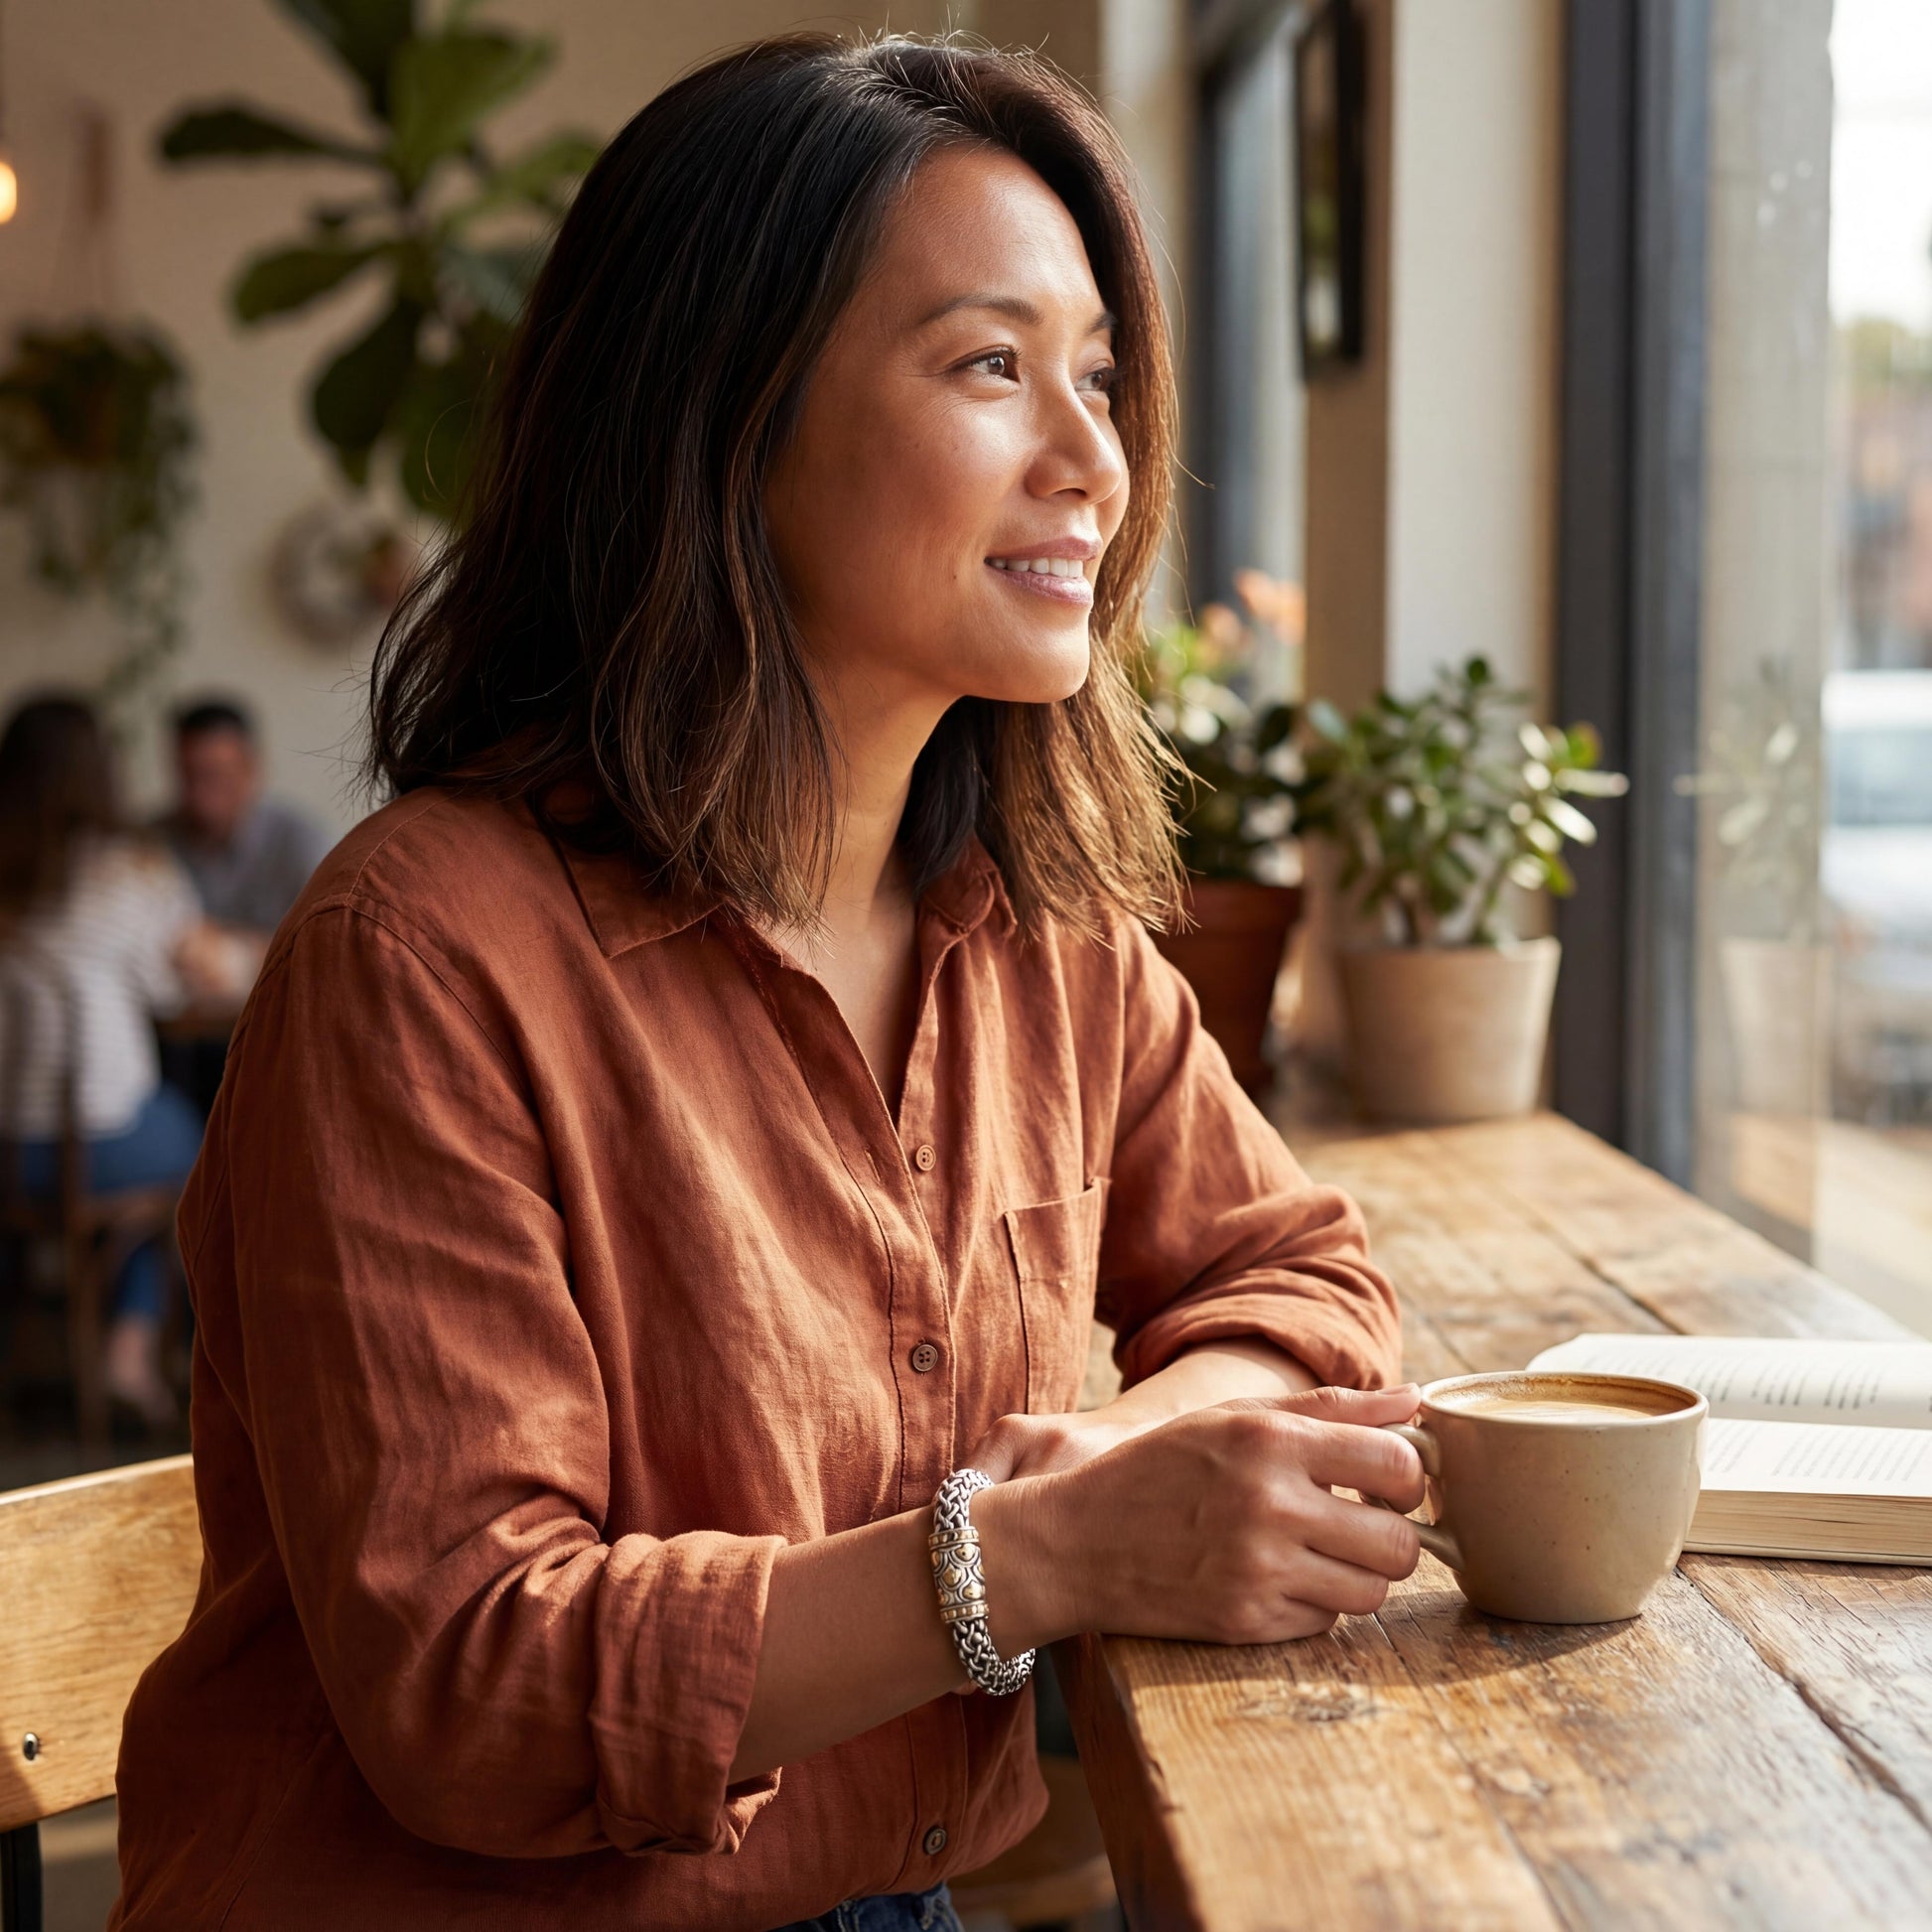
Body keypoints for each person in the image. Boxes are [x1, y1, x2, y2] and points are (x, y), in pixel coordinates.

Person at [111, 35, 1426, 1932]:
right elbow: (479, 1681)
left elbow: (1304, 1279)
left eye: (1100, 379)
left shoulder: (1042, 934)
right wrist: (1023, 1560)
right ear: (723, 414)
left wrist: (1105, 1470)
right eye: (991, 366)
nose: (1096, 463)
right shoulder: (414, 961)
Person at [0, 696, 224, 1425]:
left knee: (143, 1153)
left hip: (7, 1148)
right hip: (98, 1147)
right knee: (188, 1144)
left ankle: (34, 1348)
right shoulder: (131, 873)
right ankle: (130, 1351)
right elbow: (186, 976)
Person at [159, 697, 332, 949]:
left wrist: (243, 954)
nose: (199, 797)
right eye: (188, 775)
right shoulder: (149, 843)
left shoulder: (303, 846)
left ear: (251, 768)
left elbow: (328, 944)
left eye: (214, 776)